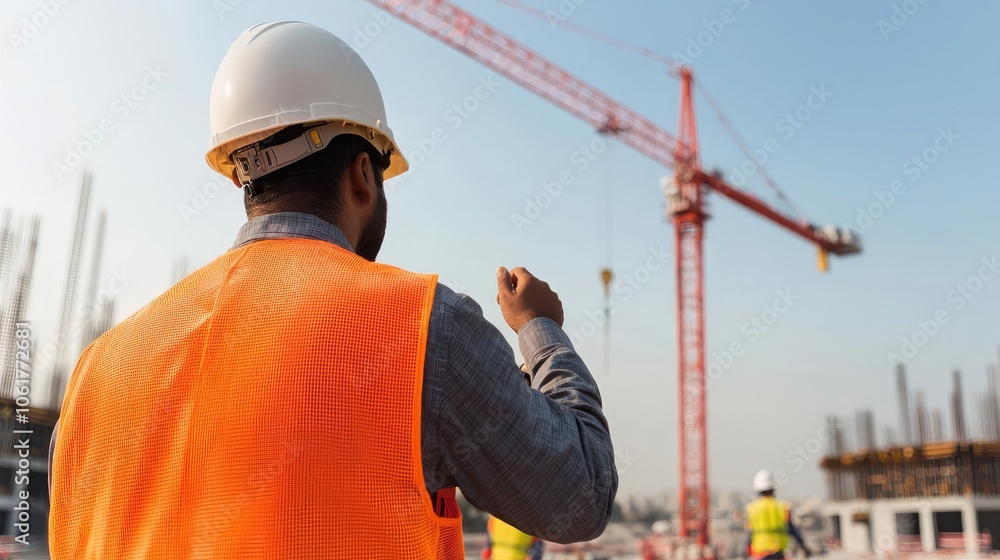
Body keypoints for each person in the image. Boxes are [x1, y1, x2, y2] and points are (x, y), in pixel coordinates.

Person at [47, 21, 617, 559]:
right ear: (362, 175)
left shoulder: (98, 369)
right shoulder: (422, 328)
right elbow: (579, 498)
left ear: (245, 179)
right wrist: (541, 331)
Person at [745, 470, 812, 560]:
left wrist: (745, 551)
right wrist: (804, 547)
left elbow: (749, 534)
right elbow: (792, 530)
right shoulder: (782, 507)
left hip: (759, 555)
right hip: (777, 552)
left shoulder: (751, 509)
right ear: (773, 489)